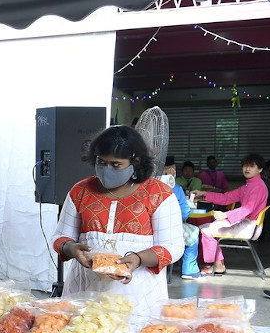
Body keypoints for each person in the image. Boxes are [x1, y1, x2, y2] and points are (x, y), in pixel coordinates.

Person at [52, 125, 183, 316]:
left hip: (138, 296)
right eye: (101, 162)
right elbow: (60, 236)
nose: (106, 170)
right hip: (84, 292)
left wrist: (138, 259)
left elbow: (173, 246)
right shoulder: (80, 191)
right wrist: (71, 249)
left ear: (135, 161)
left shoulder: (158, 194)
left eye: (116, 165)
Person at [193, 153, 268, 277]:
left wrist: (226, 215)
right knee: (207, 226)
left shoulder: (258, 187)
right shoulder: (249, 185)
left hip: (250, 226)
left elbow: (247, 209)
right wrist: (203, 193)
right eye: (245, 166)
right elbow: (226, 197)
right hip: (247, 223)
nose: (247, 169)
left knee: (206, 229)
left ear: (260, 169)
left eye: (251, 166)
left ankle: (218, 265)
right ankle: (218, 262)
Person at [162, 157, 200, 280]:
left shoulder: (145, 186)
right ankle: (189, 270)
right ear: (173, 169)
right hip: (170, 232)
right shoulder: (176, 189)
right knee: (193, 232)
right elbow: (184, 214)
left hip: (147, 232)